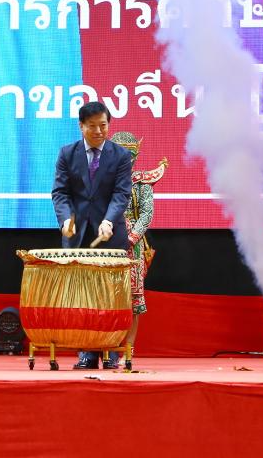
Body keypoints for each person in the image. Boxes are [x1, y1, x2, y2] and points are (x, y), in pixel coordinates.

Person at [51, 102, 133, 370]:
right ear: (81, 126)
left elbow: (121, 193)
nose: (98, 131)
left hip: (110, 235)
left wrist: (109, 220)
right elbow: (60, 192)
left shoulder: (120, 155)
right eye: (92, 126)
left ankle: (111, 351)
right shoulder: (67, 153)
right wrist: (65, 220)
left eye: (103, 125)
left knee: (110, 295)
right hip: (77, 236)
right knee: (82, 297)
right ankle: (86, 352)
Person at [110, 131, 168, 361]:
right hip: (107, 243)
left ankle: (128, 350)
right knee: (106, 296)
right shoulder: (103, 182)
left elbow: (146, 214)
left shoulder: (142, 182)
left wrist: (131, 238)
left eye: (129, 155)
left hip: (132, 246)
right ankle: (105, 346)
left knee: (133, 299)